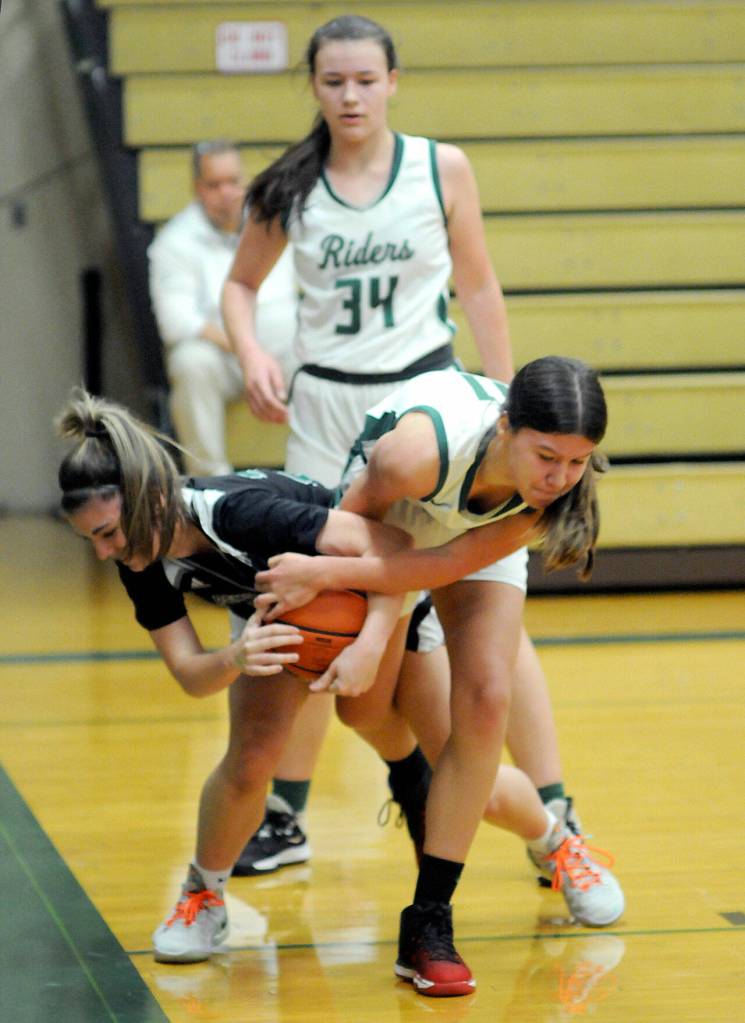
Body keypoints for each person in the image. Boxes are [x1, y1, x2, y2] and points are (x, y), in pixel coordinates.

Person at [55, 377, 621, 976]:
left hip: (372, 583)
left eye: (108, 533)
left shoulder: (242, 512)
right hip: (288, 612)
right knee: (253, 757)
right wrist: (237, 658)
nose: (102, 552)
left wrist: (368, 635)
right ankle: (204, 894)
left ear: (148, 499)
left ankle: (555, 841)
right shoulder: (140, 560)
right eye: (92, 538)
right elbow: (191, 676)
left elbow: (393, 544)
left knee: (465, 764)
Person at [221, 14, 604, 882]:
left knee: (489, 617)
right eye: (333, 82)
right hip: (328, 414)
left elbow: (477, 284)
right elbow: (241, 286)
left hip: (431, 406)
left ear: (393, 80)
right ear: (313, 88)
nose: (350, 95)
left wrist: (508, 407)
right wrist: (250, 351)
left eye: (365, 79)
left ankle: (552, 800)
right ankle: (284, 808)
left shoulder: (439, 167)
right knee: (318, 609)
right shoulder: (289, 185)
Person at [256, 357, 625, 997]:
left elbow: (453, 560)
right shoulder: (414, 454)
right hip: (374, 532)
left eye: (576, 461)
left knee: (486, 702)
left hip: (463, 545)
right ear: (506, 425)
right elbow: (350, 534)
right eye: (546, 457)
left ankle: (430, 922)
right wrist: (364, 625)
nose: (560, 477)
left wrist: (376, 631)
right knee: (363, 711)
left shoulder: (552, 490)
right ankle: (438, 789)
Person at [148, 139, 297, 476]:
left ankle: (331, 475)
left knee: (330, 349)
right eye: (215, 185)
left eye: (234, 181)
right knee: (189, 362)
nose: (227, 192)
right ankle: (212, 485)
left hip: (284, 352)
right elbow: (176, 323)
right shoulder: (174, 241)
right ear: (198, 188)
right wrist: (248, 351)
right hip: (226, 359)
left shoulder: (274, 223)